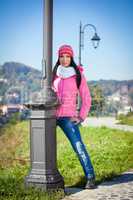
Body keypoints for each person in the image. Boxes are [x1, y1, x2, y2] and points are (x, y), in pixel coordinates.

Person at [52, 44, 97, 189]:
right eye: (62, 56)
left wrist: (81, 116)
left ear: (71, 58)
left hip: (68, 117)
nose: (64, 59)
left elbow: (87, 98)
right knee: (44, 147)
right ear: (58, 58)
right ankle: (49, 178)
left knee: (78, 146)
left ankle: (90, 177)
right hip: (51, 117)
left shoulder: (78, 75)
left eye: (67, 56)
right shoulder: (54, 74)